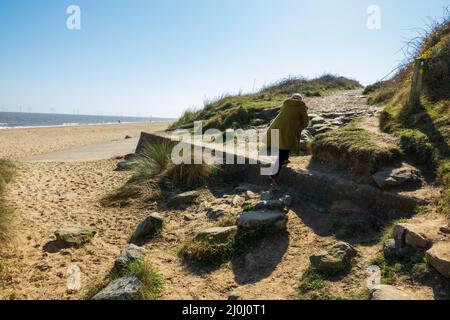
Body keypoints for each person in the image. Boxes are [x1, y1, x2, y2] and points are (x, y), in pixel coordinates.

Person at [265, 93, 309, 182]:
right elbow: (305, 122)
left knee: (283, 145)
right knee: (284, 147)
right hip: (287, 129)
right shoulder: (301, 106)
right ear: (300, 100)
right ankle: (274, 173)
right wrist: (298, 127)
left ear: (291, 98)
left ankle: (284, 160)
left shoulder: (286, 104)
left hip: (274, 127)